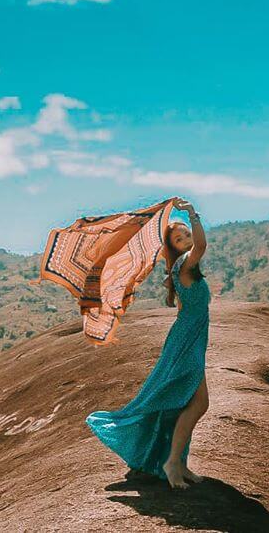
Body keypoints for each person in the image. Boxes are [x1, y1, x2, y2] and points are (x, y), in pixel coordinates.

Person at [85, 197, 211, 489]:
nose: (186, 240)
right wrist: (193, 214)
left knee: (187, 403)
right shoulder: (184, 266)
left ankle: (178, 462)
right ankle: (172, 462)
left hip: (188, 339)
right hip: (186, 344)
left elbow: (187, 309)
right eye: (179, 239)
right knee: (197, 403)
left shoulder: (183, 271)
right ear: (174, 248)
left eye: (186, 235)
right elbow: (202, 246)